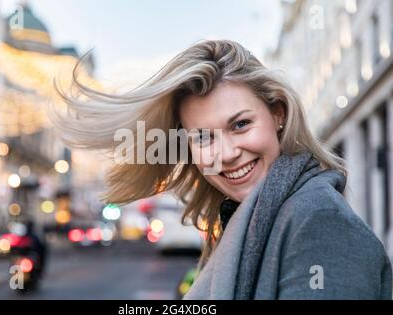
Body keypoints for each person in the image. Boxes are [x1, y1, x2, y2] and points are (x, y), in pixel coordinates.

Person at [50, 40, 392, 299]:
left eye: (241, 124)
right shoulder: (251, 217)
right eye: (203, 138)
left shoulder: (317, 221)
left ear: (278, 114)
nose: (226, 154)